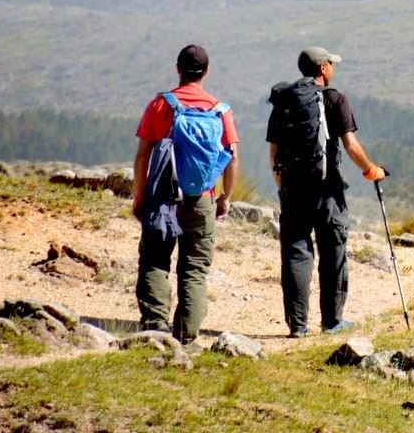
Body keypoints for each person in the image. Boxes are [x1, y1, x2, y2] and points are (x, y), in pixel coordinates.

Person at [268, 47, 385, 337]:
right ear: (322, 68)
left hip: (293, 190)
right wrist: (371, 169)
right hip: (327, 191)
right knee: (333, 251)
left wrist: (283, 187)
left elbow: (274, 153)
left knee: (296, 254)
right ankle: (332, 321)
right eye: (331, 63)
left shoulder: (284, 101)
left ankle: (297, 326)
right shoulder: (335, 99)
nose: (333, 67)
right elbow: (351, 146)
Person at [132, 44, 239, 344]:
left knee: (155, 260)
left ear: (178, 69)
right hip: (202, 197)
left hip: (162, 198)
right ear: (206, 71)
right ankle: (187, 335)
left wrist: (139, 195)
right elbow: (232, 157)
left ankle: (154, 328)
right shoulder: (220, 111)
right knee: (193, 269)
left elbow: (142, 156)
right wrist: (225, 197)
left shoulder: (160, 105)